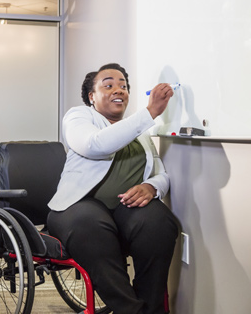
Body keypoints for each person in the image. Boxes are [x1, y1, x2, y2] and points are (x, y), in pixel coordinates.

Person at [47, 63, 179, 314]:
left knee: (159, 223)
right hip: (77, 206)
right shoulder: (79, 117)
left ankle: (153, 309)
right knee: (91, 225)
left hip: (123, 209)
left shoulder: (138, 132)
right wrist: (150, 112)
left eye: (123, 86)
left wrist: (151, 187)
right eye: (108, 85)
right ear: (92, 96)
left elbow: (160, 172)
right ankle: (130, 310)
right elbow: (94, 145)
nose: (118, 89)